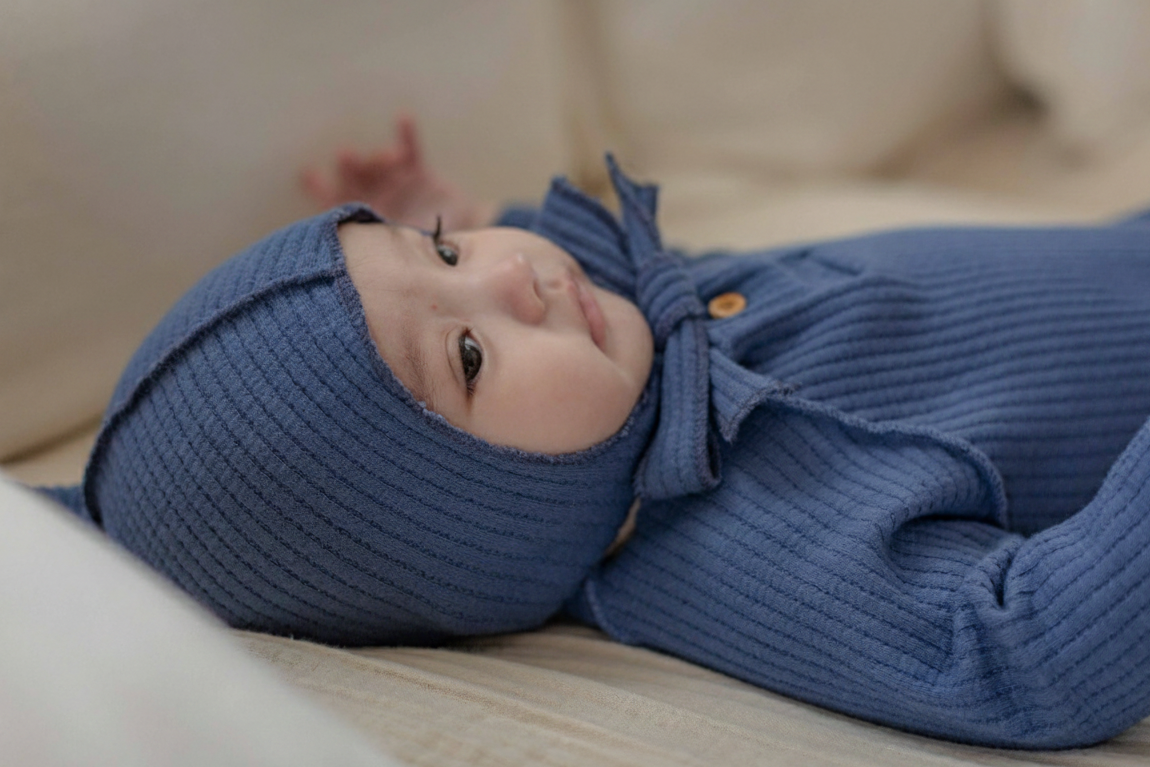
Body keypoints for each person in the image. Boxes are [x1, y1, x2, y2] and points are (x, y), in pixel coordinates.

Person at [43, 116, 1150, 749]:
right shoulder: (734, 544)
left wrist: (450, 217)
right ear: (480, 524)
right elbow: (1023, 656)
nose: (511, 275)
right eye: (467, 359)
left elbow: (502, 278)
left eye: (437, 250)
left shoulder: (606, 354)